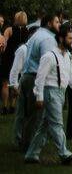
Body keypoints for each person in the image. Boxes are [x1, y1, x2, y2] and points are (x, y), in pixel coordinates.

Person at [24, 23, 72, 165]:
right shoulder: (49, 56)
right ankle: (64, 153)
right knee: (57, 124)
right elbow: (40, 78)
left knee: (44, 125)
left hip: (60, 93)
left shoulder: (67, 56)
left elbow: (70, 75)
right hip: (50, 92)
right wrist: (39, 96)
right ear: (61, 39)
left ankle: (31, 154)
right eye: (69, 39)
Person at [16, 13, 60, 152]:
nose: (59, 24)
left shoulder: (36, 34)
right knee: (36, 116)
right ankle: (30, 146)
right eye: (57, 21)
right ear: (49, 23)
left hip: (27, 76)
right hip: (35, 77)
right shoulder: (48, 38)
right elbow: (47, 62)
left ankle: (25, 143)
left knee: (28, 114)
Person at [0, 10, 24, 115]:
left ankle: (4, 106)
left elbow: (3, 44)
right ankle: (13, 106)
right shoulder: (27, 31)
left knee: (5, 83)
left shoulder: (9, 30)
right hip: (20, 59)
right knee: (16, 82)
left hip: (8, 58)